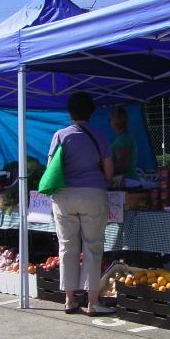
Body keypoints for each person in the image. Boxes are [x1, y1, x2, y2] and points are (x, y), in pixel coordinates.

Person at [48, 92, 115, 316]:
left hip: (64, 197)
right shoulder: (100, 136)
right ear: (91, 112)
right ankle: (93, 302)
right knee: (92, 247)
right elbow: (108, 170)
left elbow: (51, 169)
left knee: (67, 246)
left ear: (70, 112)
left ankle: (69, 300)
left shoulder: (60, 135)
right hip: (92, 194)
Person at [109, 106, 138, 181]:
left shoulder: (124, 139)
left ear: (116, 121)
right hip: (126, 181)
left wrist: (104, 169)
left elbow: (122, 166)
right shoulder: (123, 138)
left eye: (111, 119)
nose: (110, 122)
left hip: (127, 182)